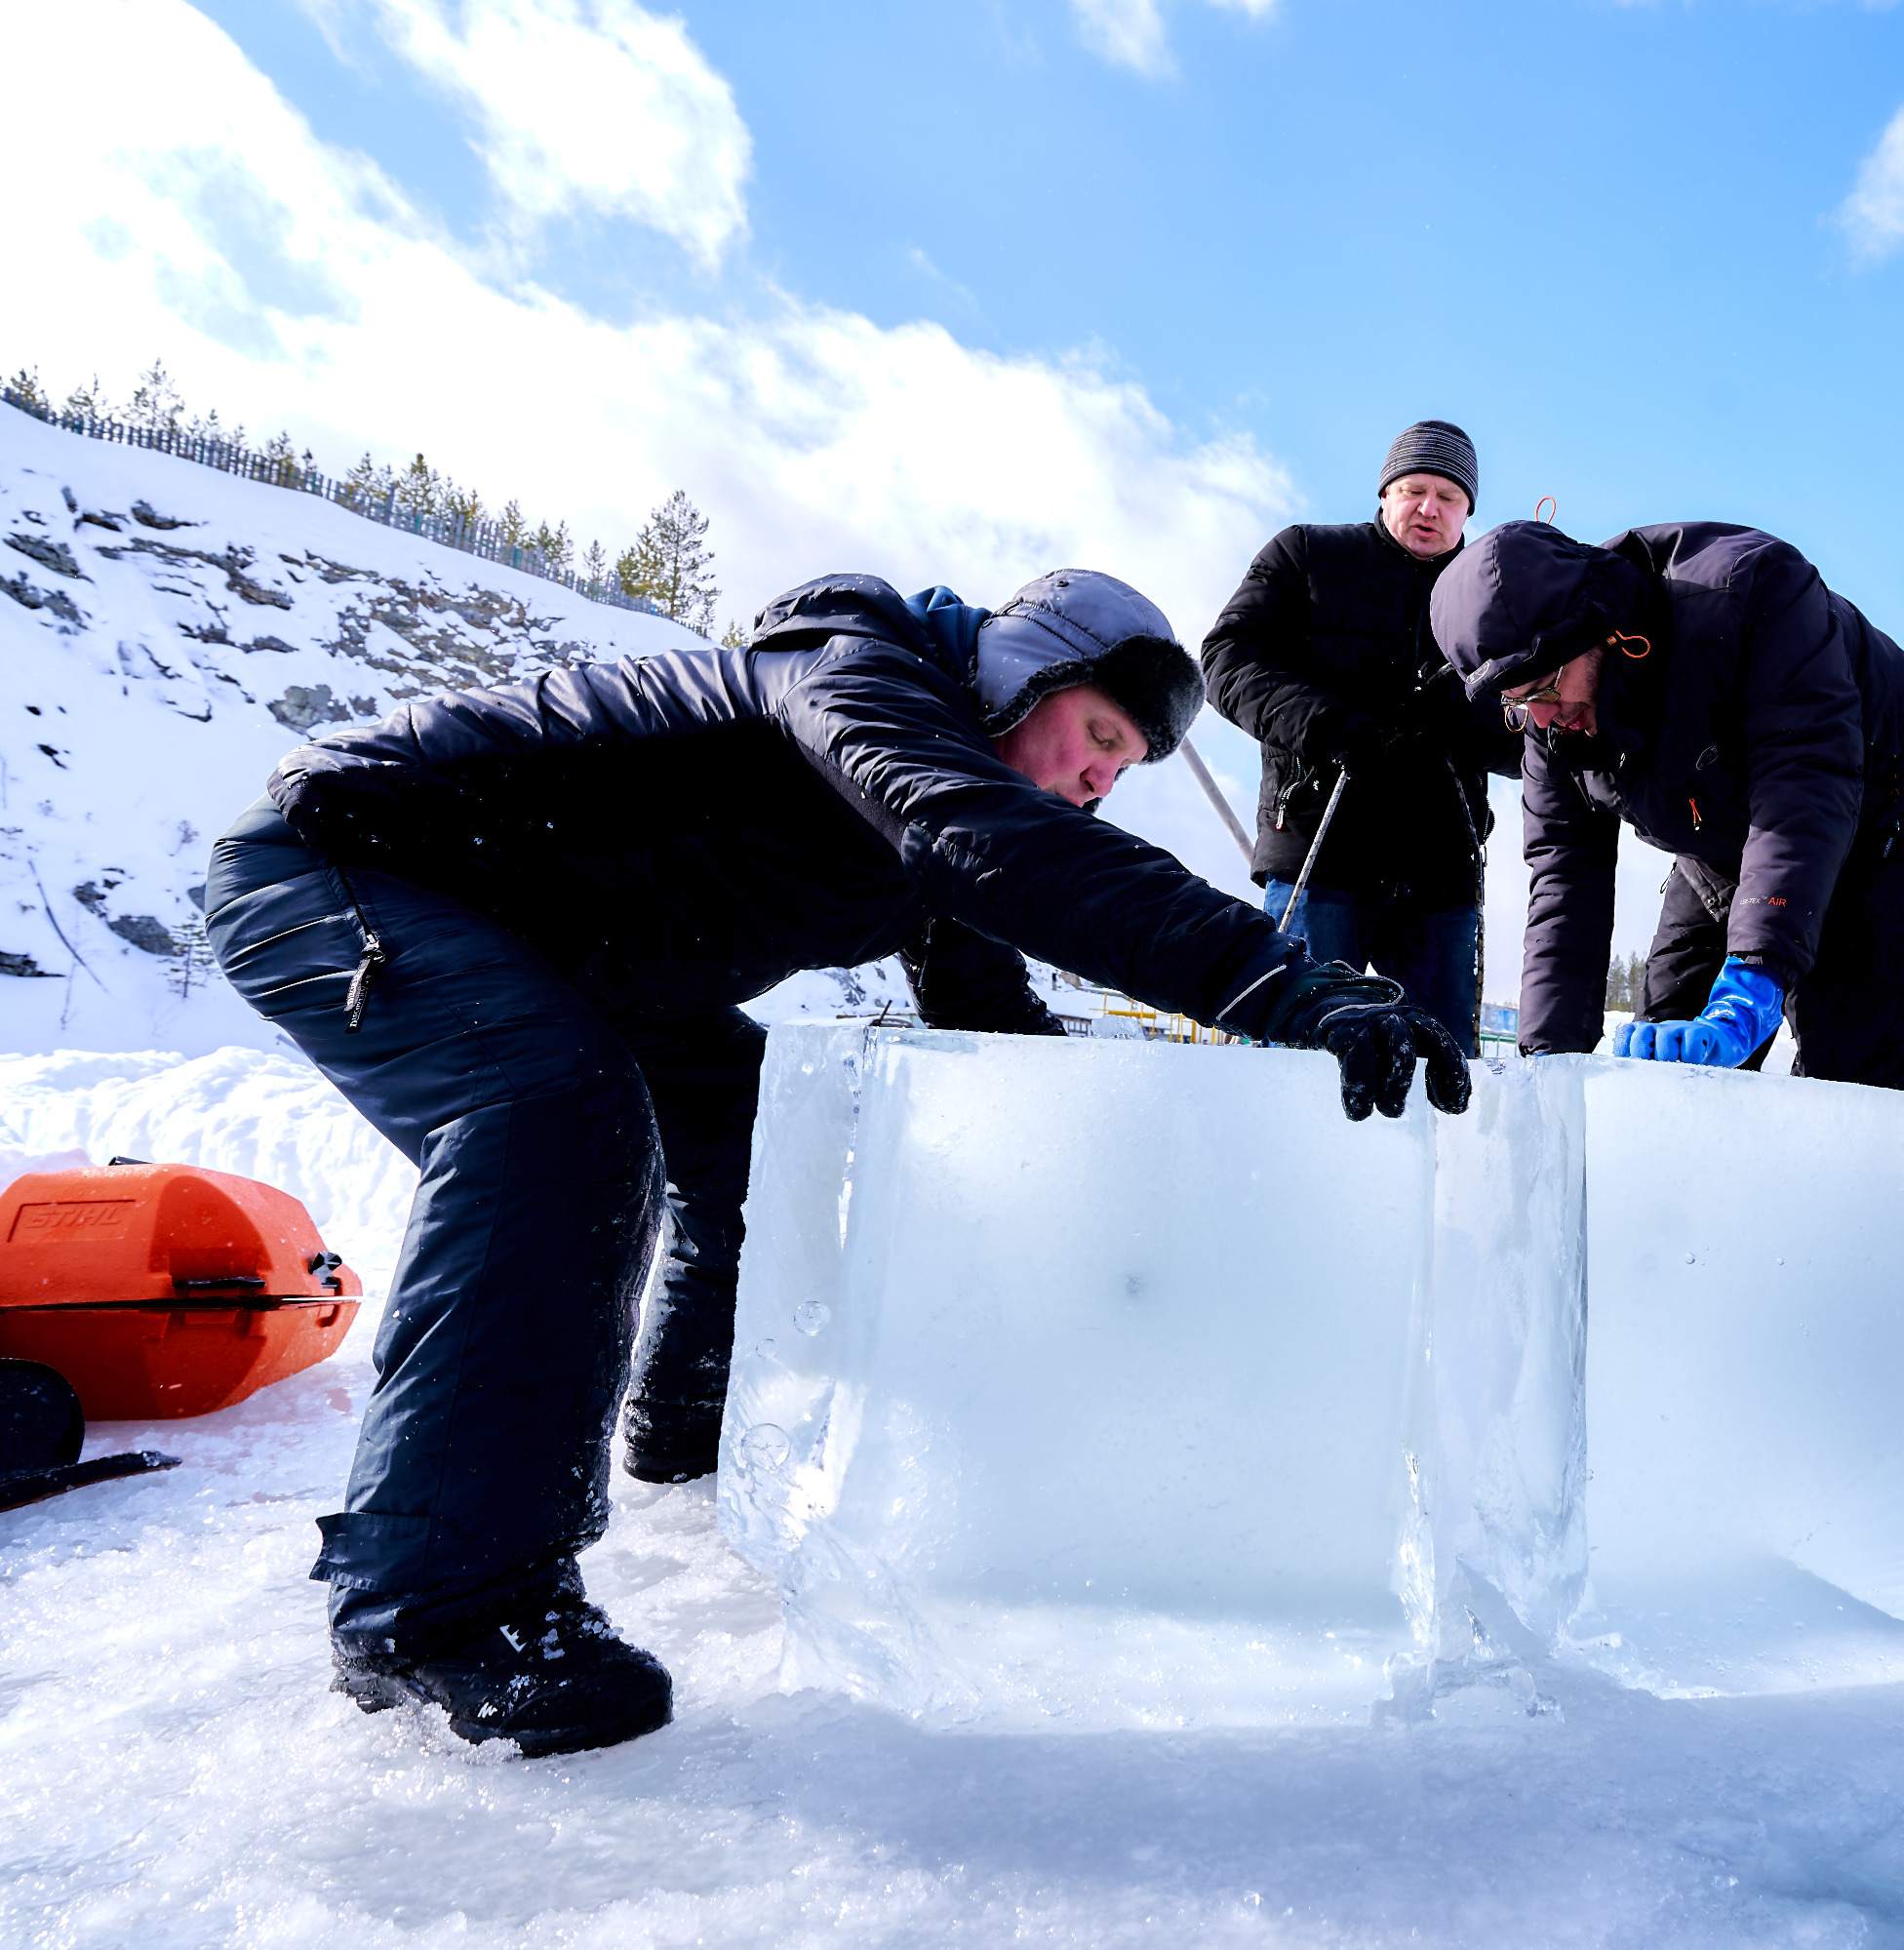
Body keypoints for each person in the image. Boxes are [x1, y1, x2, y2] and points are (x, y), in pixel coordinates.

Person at [205, 568, 1472, 1758]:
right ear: (1028, 673)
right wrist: (1283, 984)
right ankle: (434, 1605)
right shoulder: (851, 675)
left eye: (1120, 769)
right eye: (1094, 737)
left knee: (739, 1125)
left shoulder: (930, 835)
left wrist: (1159, 1188)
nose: (1094, 780)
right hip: (356, 859)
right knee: (551, 1113)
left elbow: (1001, 1032)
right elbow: (981, 836)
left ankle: (686, 1418)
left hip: (568, 951)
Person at [1430, 519, 1904, 1091]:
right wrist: (1549, 1061)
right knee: (1665, 1066)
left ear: (1597, 628)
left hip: (1880, 808)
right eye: (1518, 701)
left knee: (1850, 1067)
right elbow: (1565, 876)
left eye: (1547, 687)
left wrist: (1756, 968)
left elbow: (1801, 782)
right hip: (1715, 838)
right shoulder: (1549, 720)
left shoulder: (1752, 589)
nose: (1541, 716)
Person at [1202, 420, 1524, 1052]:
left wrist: (1462, 714)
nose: (1429, 508)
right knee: (1303, 1055)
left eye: (1449, 497)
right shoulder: (1305, 556)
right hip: (1320, 851)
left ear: (1468, 511)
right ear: (1385, 493)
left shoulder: (1496, 602)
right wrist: (1332, 727)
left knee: (1447, 1064)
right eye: (1414, 490)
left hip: (1439, 872)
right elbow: (1228, 659)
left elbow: (1528, 732)